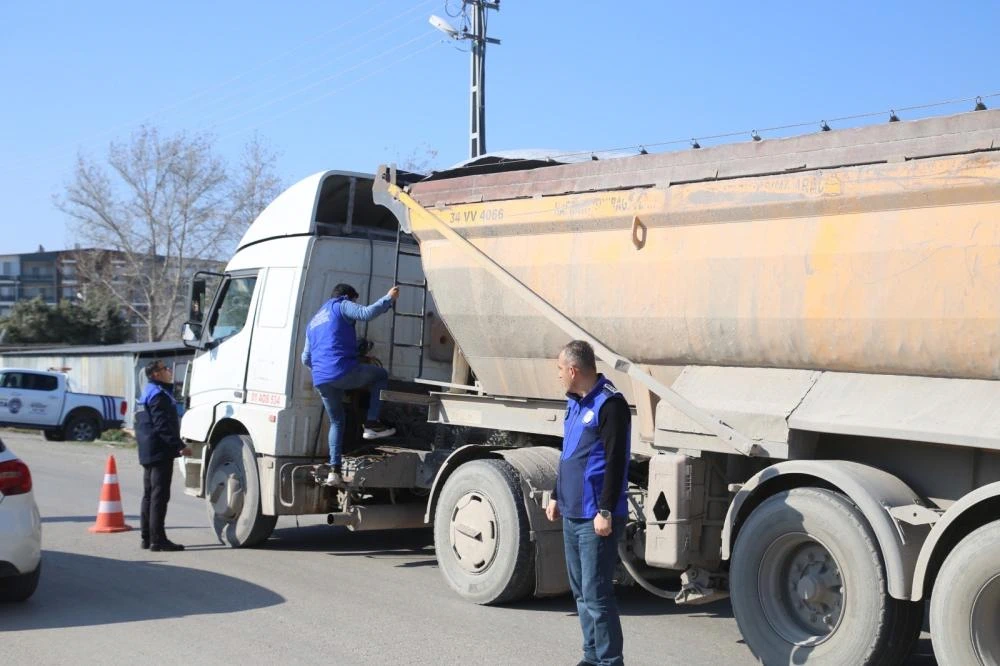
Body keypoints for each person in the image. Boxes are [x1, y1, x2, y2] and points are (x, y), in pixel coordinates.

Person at [546, 340, 631, 666]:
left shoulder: (610, 405)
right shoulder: (576, 402)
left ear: (573, 370)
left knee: (597, 595)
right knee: (581, 593)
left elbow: (616, 461)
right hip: (572, 511)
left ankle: (610, 661)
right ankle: (591, 656)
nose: (558, 376)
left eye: (559, 370)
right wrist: (556, 495)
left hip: (596, 515)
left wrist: (606, 510)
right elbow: (570, 455)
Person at [302, 283, 399, 484]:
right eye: (354, 299)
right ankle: (372, 423)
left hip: (321, 379)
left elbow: (305, 358)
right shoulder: (342, 305)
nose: (354, 303)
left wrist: (323, 369)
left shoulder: (313, 322)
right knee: (380, 375)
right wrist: (388, 298)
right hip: (342, 371)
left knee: (337, 422)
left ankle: (334, 471)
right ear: (348, 296)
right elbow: (366, 313)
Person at [135, 360, 191, 552]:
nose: (169, 370)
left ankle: (147, 537)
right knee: (159, 496)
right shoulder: (158, 395)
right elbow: (162, 426)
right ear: (156, 375)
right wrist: (179, 446)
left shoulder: (146, 393)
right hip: (159, 451)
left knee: (149, 496)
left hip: (148, 449)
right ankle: (158, 540)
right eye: (164, 368)